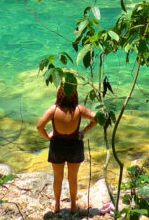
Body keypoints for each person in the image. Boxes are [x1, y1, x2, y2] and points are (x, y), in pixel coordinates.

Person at [37, 84, 97, 215]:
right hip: (75, 145)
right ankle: (74, 206)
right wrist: (84, 131)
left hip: (57, 145)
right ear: (75, 95)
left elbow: (39, 126)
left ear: (59, 95)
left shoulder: (53, 110)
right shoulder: (79, 109)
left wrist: (48, 136)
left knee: (57, 178)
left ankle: (57, 205)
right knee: (73, 178)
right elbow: (97, 118)